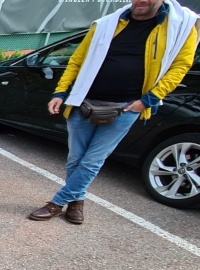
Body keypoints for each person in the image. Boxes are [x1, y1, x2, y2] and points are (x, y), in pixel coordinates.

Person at [29, 0, 197, 224]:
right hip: (83, 102)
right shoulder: (106, 24)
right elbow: (77, 60)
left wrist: (149, 100)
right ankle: (77, 201)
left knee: (92, 161)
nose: (142, 1)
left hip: (125, 108)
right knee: (75, 159)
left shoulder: (179, 27)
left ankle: (57, 203)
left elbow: (180, 66)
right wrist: (60, 92)